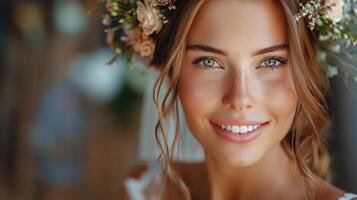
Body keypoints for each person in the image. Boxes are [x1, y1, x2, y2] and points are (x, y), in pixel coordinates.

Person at [102, 0, 357, 199]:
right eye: (209, 62)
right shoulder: (145, 189)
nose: (240, 99)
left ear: (307, 71)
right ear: (167, 70)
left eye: (270, 62)